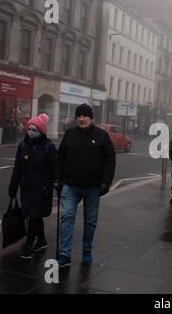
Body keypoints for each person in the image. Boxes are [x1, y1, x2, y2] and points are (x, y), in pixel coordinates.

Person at [55, 104, 116, 267]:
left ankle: (87, 251)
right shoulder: (69, 134)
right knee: (66, 217)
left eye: (85, 116)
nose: (81, 118)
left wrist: (106, 182)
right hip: (70, 185)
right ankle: (64, 254)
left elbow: (110, 159)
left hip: (93, 187)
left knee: (90, 221)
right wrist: (57, 179)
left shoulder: (102, 135)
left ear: (91, 118)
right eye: (79, 116)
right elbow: (60, 157)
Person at [8, 114, 57, 259]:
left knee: (34, 216)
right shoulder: (23, 146)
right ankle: (41, 240)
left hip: (42, 190)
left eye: (34, 129)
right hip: (27, 189)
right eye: (29, 128)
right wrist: (13, 187)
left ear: (41, 131)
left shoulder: (49, 147)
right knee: (32, 215)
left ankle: (28, 245)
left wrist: (57, 183)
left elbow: (55, 168)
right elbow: (17, 168)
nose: (31, 132)